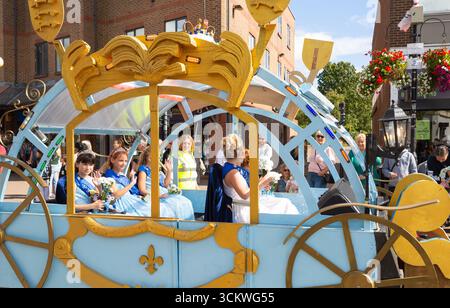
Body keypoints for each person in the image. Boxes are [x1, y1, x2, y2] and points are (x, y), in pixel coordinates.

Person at [222, 134, 299, 224]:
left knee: (284, 202)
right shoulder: (233, 172)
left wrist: (262, 183)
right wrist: (265, 180)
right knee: (284, 204)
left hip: (248, 205)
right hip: (244, 211)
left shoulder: (232, 169)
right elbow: (245, 194)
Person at [105, 148, 175, 217]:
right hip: (124, 202)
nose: (124, 163)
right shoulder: (110, 176)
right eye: (121, 161)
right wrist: (131, 184)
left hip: (132, 198)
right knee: (157, 209)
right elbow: (116, 195)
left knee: (162, 208)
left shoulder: (121, 175)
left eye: (126, 161)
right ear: (112, 160)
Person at [134, 146, 194, 220]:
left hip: (163, 193)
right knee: (176, 205)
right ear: (149, 158)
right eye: (157, 156)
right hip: (154, 195)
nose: (159, 159)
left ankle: (185, 226)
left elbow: (165, 184)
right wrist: (158, 196)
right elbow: (142, 190)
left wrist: (169, 171)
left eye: (159, 156)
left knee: (186, 202)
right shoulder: (143, 170)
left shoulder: (157, 170)